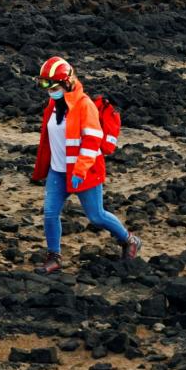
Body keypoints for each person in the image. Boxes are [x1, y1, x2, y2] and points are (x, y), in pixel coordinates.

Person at [31, 57, 141, 275]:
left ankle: (130, 240)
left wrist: (79, 170)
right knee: (50, 214)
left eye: (52, 86)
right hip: (58, 171)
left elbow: (92, 142)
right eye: (45, 86)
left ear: (67, 82)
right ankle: (54, 257)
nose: (49, 91)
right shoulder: (53, 105)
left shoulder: (85, 106)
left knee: (96, 216)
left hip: (84, 172)